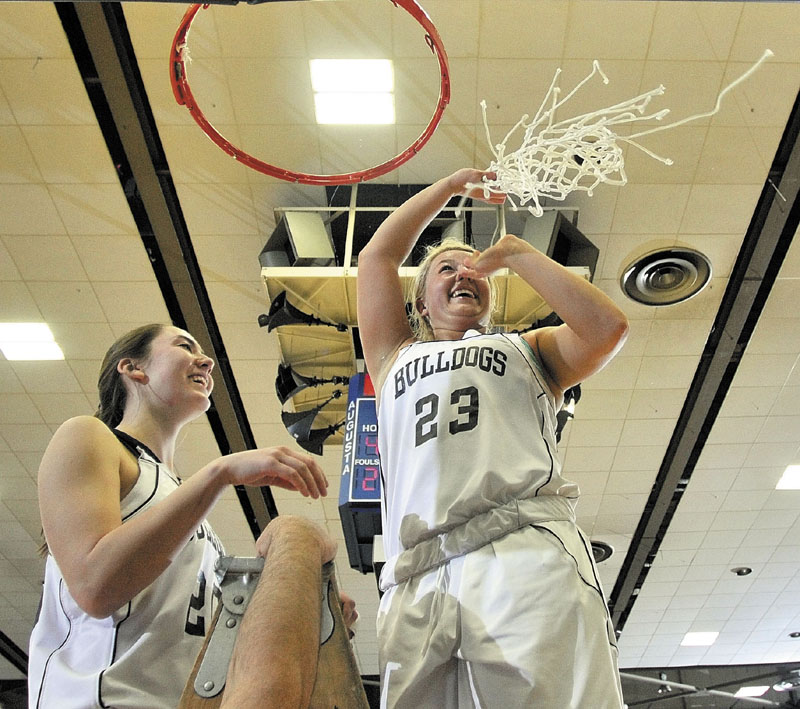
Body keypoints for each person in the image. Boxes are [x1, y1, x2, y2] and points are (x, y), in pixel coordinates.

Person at [356, 169, 629, 708]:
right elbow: (376, 257)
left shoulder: (529, 348)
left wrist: (516, 253)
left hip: (519, 544)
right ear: (420, 303)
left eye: (475, 269)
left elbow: (607, 329)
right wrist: (449, 186)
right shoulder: (393, 356)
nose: (464, 272)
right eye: (445, 268)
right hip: (416, 568)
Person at [28, 323, 337, 709]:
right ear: (133, 369)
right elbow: (95, 587)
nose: (206, 360)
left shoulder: (188, 510)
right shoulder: (88, 437)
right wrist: (219, 472)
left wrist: (310, 610)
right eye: (184, 346)